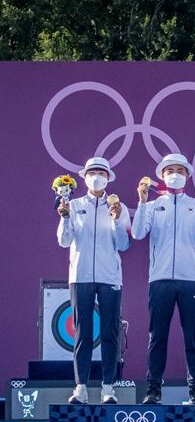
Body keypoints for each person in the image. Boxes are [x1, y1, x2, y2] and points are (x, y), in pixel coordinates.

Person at [131, 153, 195, 405]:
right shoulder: (151, 206)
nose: (175, 174)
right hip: (159, 280)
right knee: (157, 336)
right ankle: (153, 390)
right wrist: (141, 201)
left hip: (191, 280)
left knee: (192, 336)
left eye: (180, 170)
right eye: (170, 170)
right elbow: (138, 234)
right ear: (161, 175)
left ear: (188, 176)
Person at [57, 156, 130, 404]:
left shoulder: (119, 206)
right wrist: (64, 218)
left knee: (110, 333)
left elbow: (124, 243)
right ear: (84, 176)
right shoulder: (73, 205)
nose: (96, 176)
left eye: (101, 172)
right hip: (80, 276)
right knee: (82, 333)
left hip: (110, 276)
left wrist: (117, 218)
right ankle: (81, 388)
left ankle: (108, 388)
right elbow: (64, 241)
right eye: (92, 172)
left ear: (108, 177)